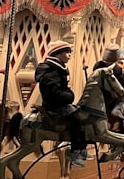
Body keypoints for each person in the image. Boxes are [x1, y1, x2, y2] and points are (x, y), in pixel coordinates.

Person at [36, 39, 89, 168]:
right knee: (76, 119)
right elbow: (55, 92)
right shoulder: (51, 72)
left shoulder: (58, 70)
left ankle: (81, 148)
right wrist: (68, 96)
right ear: (57, 54)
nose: (69, 56)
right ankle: (75, 151)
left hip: (61, 103)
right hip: (54, 105)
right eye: (66, 52)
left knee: (82, 115)